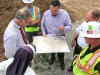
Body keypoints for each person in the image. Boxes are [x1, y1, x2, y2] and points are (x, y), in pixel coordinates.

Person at [41, 0, 72, 70]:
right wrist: (44, 33)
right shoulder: (46, 14)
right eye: (51, 10)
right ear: (49, 7)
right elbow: (42, 24)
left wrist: (64, 28)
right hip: (50, 36)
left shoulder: (64, 14)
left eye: (55, 10)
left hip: (60, 37)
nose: (53, 12)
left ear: (59, 8)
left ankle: (61, 62)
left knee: (60, 51)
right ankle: (52, 57)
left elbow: (70, 26)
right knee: (51, 49)